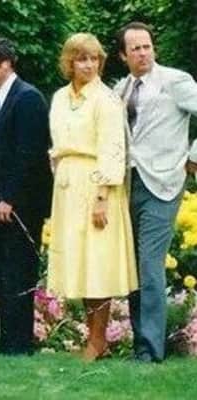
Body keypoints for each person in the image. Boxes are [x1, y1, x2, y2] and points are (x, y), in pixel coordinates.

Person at [47, 33, 137, 362]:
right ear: (69, 62)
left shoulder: (106, 99)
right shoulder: (60, 97)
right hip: (68, 185)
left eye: (94, 58)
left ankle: (98, 340)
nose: (88, 65)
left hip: (97, 184)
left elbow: (113, 148)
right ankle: (93, 338)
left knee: (98, 262)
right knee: (80, 263)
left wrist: (102, 196)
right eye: (81, 59)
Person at [112, 22, 197, 363]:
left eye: (147, 46)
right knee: (133, 267)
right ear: (123, 55)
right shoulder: (120, 89)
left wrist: (194, 157)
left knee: (149, 264)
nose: (143, 53)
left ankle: (149, 349)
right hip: (127, 184)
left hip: (163, 183)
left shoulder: (176, 81)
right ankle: (141, 343)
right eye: (135, 49)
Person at [0, 37, 52, 356]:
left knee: (19, 270)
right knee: (4, 271)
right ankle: (9, 340)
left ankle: (19, 343)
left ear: (5, 64)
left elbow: (29, 153)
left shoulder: (27, 98)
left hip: (22, 203)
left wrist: (9, 198)